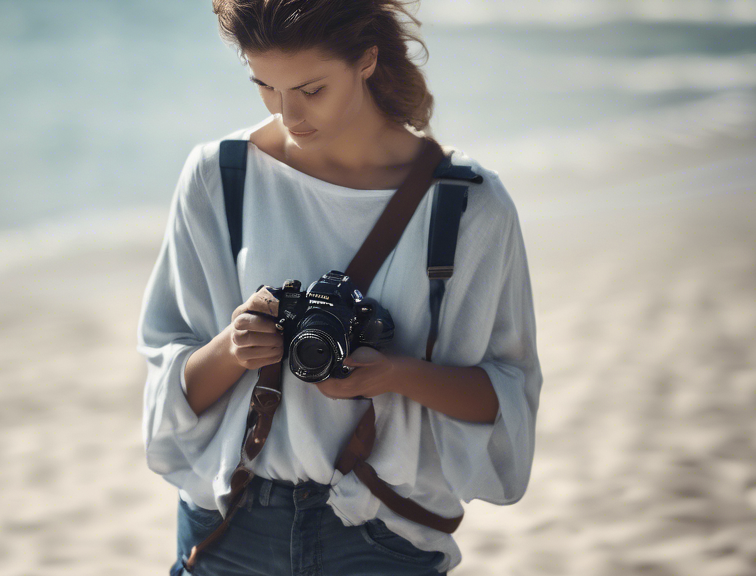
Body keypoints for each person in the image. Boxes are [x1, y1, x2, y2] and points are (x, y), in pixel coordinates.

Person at [137, 1, 542, 574]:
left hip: (384, 534)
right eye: (264, 86)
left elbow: (504, 397)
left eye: (310, 89)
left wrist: (396, 374)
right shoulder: (220, 177)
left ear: (367, 60)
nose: (288, 114)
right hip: (230, 525)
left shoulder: (467, 204)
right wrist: (233, 348)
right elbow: (171, 395)